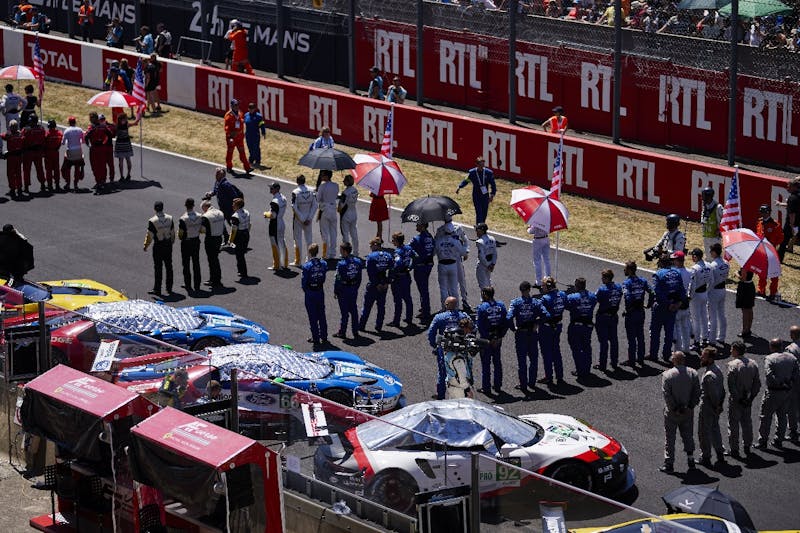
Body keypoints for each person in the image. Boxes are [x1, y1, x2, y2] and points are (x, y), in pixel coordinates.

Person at [660, 351, 701, 473]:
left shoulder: (667, 375)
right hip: (688, 411)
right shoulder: (693, 373)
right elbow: (697, 392)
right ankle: (691, 460)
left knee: (670, 437)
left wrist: (675, 409)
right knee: (688, 435)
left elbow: (667, 395)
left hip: (672, 413)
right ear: (683, 360)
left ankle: (669, 464)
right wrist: (689, 406)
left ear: (674, 360)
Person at [755, 338, 800, 449]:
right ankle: (778, 439)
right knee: (782, 416)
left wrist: (780, 383)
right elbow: (796, 373)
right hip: (787, 392)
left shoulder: (769, 358)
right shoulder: (792, 358)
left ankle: (763, 441)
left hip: (774, 392)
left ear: (771, 347)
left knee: (766, 417)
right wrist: (789, 383)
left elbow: (769, 374)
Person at [507, 280, 549, 394]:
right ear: (529, 290)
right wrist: (537, 324)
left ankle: (523, 384)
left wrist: (513, 328)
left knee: (522, 361)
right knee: (533, 359)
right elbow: (546, 315)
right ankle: (532, 382)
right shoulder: (536, 302)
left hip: (521, 334)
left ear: (521, 290)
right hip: (532, 334)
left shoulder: (515, 303)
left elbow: (508, 317)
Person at [428, 296, 470, 400]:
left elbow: (431, 333)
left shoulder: (439, 317)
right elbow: (473, 329)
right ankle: (464, 394)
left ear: (446, 305)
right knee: (462, 371)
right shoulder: (463, 315)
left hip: (445, 350)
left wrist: (435, 346)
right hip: (461, 349)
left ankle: (441, 396)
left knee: (442, 372)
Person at [727, 341, 761, 458]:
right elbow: (757, 384)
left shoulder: (732, 365)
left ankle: (734, 448)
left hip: (737, 401)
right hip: (748, 399)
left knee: (733, 424)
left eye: (732, 349)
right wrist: (750, 398)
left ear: (736, 350)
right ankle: (747, 445)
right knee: (747, 423)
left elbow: (731, 386)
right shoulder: (753, 364)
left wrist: (739, 399)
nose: (730, 351)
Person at [649, 254, 685, 362]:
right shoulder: (677, 273)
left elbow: (657, 292)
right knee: (669, 333)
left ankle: (653, 354)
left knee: (655, 332)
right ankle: (666, 355)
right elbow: (682, 290)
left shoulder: (658, 274)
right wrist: (678, 303)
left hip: (661, 307)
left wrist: (668, 303)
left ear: (661, 263)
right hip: (673, 308)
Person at [475, 286, 508, 394]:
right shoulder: (501, 305)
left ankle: (486, 387)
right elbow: (505, 322)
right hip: (498, 339)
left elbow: (480, 326)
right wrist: (499, 337)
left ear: (484, 294)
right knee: (497, 362)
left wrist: (489, 339)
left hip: (486, 340)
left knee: (486, 364)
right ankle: (498, 386)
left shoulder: (482, 307)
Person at [697, 346, 726, 467]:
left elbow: (713, 394)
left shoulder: (709, 375)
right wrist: (720, 405)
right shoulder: (717, 369)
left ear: (709, 359)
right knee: (715, 430)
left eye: (703, 356)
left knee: (704, 432)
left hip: (708, 406)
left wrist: (716, 406)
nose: (701, 357)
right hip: (716, 405)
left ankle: (706, 457)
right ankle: (720, 453)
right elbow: (723, 390)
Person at [565, 277, 597, 379]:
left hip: (576, 326)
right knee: (587, 347)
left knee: (576, 348)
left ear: (577, 286)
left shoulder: (572, 297)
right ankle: (586, 369)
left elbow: (566, 305)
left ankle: (580, 370)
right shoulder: (592, 296)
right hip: (588, 326)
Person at [622, 261, 652, 367]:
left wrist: (629, 309)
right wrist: (648, 304)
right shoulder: (643, 281)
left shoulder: (627, 283)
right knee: (640, 336)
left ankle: (632, 360)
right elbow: (652, 292)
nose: (624, 270)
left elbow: (628, 297)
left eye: (625, 269)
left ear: (630, 270)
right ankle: (640, 358)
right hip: (641, 311)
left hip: (631, 313)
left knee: (631, 338)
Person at [359, 237, 393, 332]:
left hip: (374, 285)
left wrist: (376, 283)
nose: (370, 248)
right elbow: (392, 269)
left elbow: (370, 273)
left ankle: (361, 325)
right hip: (384, 284)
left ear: (375, 245)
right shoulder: (388, 255)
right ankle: (379, 326)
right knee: (381, 306)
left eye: (371, 246)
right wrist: (387, 282)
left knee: (367, 306)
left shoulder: (371, 257)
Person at [143, 200, 175, 296]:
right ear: (162, 208)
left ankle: (157, 289)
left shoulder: (152, 221)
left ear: (154, 209)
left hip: (158, 246)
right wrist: (171, 242)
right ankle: (169, 288)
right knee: (169, 266)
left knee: (158, 268)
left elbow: (150, 236)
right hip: (168, 244)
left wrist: (146, 245)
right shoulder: (170, 218)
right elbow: (172, 232)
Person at [539, 277, 567, 386]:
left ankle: (548, 376)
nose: (541, 288)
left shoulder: (545, 299)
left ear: (548, 286)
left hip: (547, 328)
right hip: (558, 326)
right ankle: (559, 375)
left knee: (547, 352)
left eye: (543, 286)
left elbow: (541, 313)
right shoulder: (562, 295)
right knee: (556, 350)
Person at [434, 219, 467, 309]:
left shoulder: (438, 241)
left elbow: (433, 253)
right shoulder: (455, 241)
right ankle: (456, 307)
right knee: (454, 288)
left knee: (443, 288)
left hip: (442, 265)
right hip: (453, 265)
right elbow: (463, 252)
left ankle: (444, 307)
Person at [204, 167, 243, 242]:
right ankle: (226, 237)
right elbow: (215, 191)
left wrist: (233, 207)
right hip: (223, 208)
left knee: (231, 223)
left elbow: (234, 196)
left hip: (229, 209)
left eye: (218, 174)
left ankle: (238, 238)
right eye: (216, 174)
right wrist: (210, 194)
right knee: (220, 222)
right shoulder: (217, 182)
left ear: (222, 175)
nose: (216, 175)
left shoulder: (226, 184)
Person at [333, 242, 364, 339]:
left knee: (344, 312)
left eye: (341, 250)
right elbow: (359, 277)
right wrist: (355, 287)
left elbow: (338, 279)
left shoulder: (341, 264)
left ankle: (342, 332)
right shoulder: (358, 262)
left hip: (344, 289)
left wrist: (336, 291)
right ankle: (355, 331)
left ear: (345, 251)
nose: (340, 252)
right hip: (353, 288)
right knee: (354, 310)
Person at [302, 243, 328, 349]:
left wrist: (307, 290)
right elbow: (324, 277)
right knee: (321, 314)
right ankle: (324, 336)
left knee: (313, 316)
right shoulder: (323, 264)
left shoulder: (307, 266)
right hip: (320, 290)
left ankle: (316, 338)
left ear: (309, 252)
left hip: (311, 292)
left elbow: (304, 283)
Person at [595, 269, 622, 371]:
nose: (601, 279)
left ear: (606, 278)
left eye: (603, 277)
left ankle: (602, 364)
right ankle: (614, 362)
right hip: (614, 316)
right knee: (614, 340)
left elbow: (595, 299)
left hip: (603, 317)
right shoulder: (619, 288)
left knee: (603, 341)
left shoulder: (602, 289)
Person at [388, 232, 417, 327]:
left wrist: (392, 274)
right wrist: (410, 267)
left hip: (398, 278)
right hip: (406, 276)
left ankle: (396, 321)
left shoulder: (398, 252)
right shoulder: (409, 248)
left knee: (398, 300)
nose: (392, 242)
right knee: (408, 298)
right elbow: (416, 257)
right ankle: (409, 318)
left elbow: (398, 263)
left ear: (397, 241)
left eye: (393, 240)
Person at [456, 156, 496, 225]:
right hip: (476, 195)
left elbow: (493, 184)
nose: (482, 167)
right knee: (479, 212)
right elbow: (466, 180)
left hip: (485, 195)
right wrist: (460, 186)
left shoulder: (488, 173)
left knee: (484, 213)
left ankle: (482, 226)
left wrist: (492, 195)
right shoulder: (472, 172)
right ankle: (479, 227)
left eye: (483, 165)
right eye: (480, 165)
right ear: (477, 165)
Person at [755, 204, 783, 300]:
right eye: (761, 212)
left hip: (771, 251)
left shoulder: (775, 224)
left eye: (764, 212)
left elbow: (780, 238)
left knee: (773, 273)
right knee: (762, 271)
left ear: (768, 213)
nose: (762, 215)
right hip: (762, 251)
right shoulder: (760, 222)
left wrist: (771, 243)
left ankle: (773, 292)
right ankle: (761, 289)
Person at [410, 222, 435, 321]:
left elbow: (408, 248)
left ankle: (426, 311)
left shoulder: (417, 239)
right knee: (423, 288)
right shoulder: (430, 237)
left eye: (418, 225)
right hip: (428, 265)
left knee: (423, 289)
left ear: (423, 226)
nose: (416, 227)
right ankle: (424, 307)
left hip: (420, 266)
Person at [84, 113, 115, 194]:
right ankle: (101, 181)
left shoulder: (95, 127)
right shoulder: (100, 126)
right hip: (99, 147)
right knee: (99, 166)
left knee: (97, 166)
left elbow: (86, 136)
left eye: (91, 118)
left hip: (96, 148)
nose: (90, 119)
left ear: (94, 118)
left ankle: (100, 182)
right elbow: (110, 134)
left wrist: (89, 145)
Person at [291, 174, 317, 266]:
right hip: (308, 219)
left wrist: (302, 218)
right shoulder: (311, 190)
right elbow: (315, 205)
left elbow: (294, 206)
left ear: (297, 181)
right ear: (304, 181)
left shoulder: (295, 192)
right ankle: (310, 259)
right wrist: (309, 218)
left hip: (299, 219)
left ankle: (298, 262)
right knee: (309, 240)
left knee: (297, 240)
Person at [178, 198, 203, 294]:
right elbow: (202, 230)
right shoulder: (200, 216)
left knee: (186, 264)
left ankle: (188, 284)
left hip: (186, 242)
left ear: (185, 205)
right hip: (196, 241)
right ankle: (197, 285)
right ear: (193, 205)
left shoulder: (183, 218)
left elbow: (180, 234)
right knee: (196, 263)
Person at [689, 248, 712, 349]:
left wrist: (689, 296)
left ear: (695, 256)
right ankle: (705, 339)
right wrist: (707, 290)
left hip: (696, 296)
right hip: (704, 293)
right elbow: (712, 280)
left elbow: (692, 285)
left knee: (696, 320)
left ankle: (696, 342)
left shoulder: (694, 268)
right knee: (704, 317)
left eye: (693, 256)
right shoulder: (709, 265)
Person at [223, 99, 253, 176]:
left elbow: (242, 122)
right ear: (232, 106)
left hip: (240, 137)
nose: (237, 107)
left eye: (237, 105)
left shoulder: (240, 113)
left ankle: (247, 168)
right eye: (235, 105)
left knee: (242, 153)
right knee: (230, 153)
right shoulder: (228, 116)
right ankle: (229, 167)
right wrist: (230, 137)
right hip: (232, 137)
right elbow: (226, 128)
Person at [200, 200, 225, 288]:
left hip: (210, 240)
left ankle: (214, 280)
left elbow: (202, 230)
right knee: (215, 259)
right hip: (219, 238)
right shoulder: (220, 212)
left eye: (203, 209)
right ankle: (216, 278)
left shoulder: (206, 216)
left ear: (205, 207)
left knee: (212, 260)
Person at [264, 182, 288, 272]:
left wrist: (266, 214)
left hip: (275, 224)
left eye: (272, 188)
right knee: (282, 243)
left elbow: (273, 215)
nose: (270, 189)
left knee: (275, 244)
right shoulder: (283, 198)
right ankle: (284, 263)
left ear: (277, 189)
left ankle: (277, 265)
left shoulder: (274, 202)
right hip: (281, 222)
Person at [707, 243, 729, 346]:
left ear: (715, 252)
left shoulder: (713, 265)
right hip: (723, 289)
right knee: (721, 314)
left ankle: (711, 339)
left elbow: (711, 281)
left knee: (712, 316)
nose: (710, 253)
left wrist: (707, 292)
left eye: (711, 251)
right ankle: (722, 336)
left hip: (714, 291)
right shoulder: (726, 263)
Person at [776, 176, 800, 262]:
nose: (787, 188)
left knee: (783, 241)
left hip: (792, 224)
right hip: (798, 223)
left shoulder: (792, 198)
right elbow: (791, 205)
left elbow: (792, 214)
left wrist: (792, 226)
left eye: (789, 186)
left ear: (794, 187)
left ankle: (779, 258)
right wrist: (780, 204)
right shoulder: (797, 196)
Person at [672, 250, 692, 353]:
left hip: (677, 303)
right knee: (686, 327)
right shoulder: (689, 272)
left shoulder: (675, 273)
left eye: (674, 260)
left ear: (678, 261)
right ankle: (687, 348)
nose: (673, 262)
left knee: (677, 328)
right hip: (686, 302)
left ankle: (678, 351)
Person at [21, 113, 46, 193]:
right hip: (38, 152)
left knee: (27, 170)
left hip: (29, 152)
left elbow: (22, 140)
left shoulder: (26, 130)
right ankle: (42, 184)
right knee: (39, 169)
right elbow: (44, 140)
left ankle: (26, 187)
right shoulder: (42, 129)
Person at [60, 116, 84, 191]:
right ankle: (75, 184)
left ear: (69, 123)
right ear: (75, 122)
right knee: (77, 168)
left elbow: (63, 143)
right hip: (78, 151)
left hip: (70, 152)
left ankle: (68, 183)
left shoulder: (67, 131)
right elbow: (83, 141)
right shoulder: (80, 130)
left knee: (66, 167)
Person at [228, 197, 251, 279]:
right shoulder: (247, 212)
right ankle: (240, 270)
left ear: (238, 206)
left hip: (239, 236)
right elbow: (249, 225)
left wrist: (230, 240)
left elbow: (234, 230)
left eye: (234, 204)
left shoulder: (235, 216)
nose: (232, 205)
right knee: (241, 253)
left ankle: (243, 272)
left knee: (239, 254)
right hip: (246, 234)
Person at [2, 120, 24, 198]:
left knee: (11, 174)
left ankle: (12, 188)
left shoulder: (9, 135)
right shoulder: (21, 135)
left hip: (11, 157)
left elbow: (2, 136)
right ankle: (19, 188)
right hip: (19, 156)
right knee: (18, 173)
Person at [338, 174, 359, 257]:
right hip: (354, 212)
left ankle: (346, 252)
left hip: (346, 214)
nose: (343, 182)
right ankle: (356, 252)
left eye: (345, 181)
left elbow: (341, 205)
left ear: (347, 182)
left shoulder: (345, 192)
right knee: (354, 233)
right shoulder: (355, 190)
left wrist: (339, 208)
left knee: (345, 234)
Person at [785, 326, 800, 444]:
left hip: (795, 382)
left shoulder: (790, 349)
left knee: (792, 406)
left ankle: (793, 431)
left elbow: (788, 366)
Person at [244, 103, 269, 169]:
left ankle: (258, 160)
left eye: (252, 108)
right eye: (250, 108)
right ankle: (251, 159)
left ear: (254, 109)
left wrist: (263, 132)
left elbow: (262, 124)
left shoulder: (259, 116)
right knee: (250, 148)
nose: (251, 110)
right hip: (248, 135)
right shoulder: (246, 115)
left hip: (255, 135)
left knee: (256, 148)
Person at [700, 186, 723, 256]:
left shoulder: (718, 207)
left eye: (703, 196)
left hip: (715, 238)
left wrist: (720, 230)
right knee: (708, 256)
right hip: (706, 236)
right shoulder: (705, 206)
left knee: (715, 257)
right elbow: (703, 215)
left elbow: (724, 220)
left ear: (709, 196)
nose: (702, 198)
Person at [475, 223, 497, 290]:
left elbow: (481, 256)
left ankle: (484, 300)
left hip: (483, 265)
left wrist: (487, 265)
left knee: (482, 285)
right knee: (488, 282)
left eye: (477, 230)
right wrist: (492, 264)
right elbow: (495, 253)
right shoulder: (492, 239)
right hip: (490, 263)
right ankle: (490, 298)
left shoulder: (479, 242)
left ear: (482, 231)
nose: (476, 231)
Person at [113, 113, 135, 181]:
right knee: (123, 160)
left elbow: (115, 134)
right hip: (125, 144)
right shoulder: (125, 125)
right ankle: (123, 175)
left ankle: (127, 175)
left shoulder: (117, 126)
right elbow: (135, 123)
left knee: (125, 160)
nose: (126, 120)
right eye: (125, 118)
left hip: (121, 144)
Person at [735, 269, 756, 338]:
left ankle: (744, 330)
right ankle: (748, 328)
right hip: (750, 286)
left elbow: (743, 279)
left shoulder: (745, 266)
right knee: (750, 309)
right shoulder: (751, 264)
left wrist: (737, 273)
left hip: (745, 288)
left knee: (745, 310)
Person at [43, 119, 62, 192]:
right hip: (56, 152)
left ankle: (50, 185)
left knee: (49, 170)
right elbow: (60, 142)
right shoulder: (59, 133)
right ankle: (57, 184)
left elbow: (44, 143)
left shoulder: (47, 134)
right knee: (56, 169)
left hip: (48, 153)